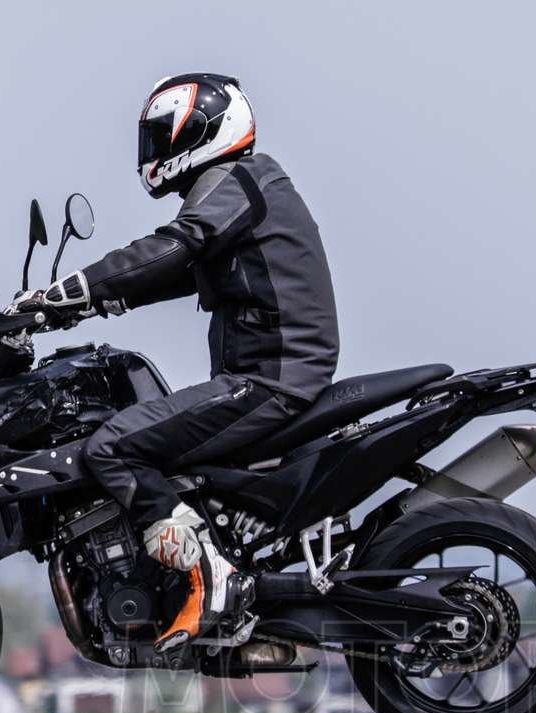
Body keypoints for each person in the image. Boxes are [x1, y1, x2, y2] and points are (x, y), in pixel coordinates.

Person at [43, 73, 340, 653]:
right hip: (274, 375)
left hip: (268, 380)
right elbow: (177, 271)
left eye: (162, 136)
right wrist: (89, 304)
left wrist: (71, 289)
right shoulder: (243, 188)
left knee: (111, 447)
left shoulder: (238, 181)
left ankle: (211, 576)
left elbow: (173, 247)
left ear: (202, 130)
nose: (153, 152)